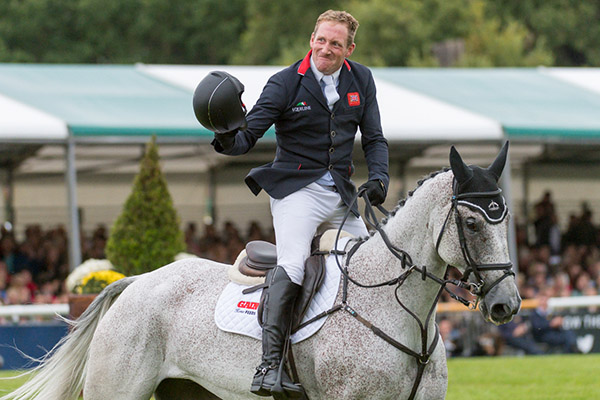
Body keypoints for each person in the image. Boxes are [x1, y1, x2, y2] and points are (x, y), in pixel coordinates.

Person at [195, 9, 389, 399]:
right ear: (312, 39)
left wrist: (380, 178)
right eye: (322, 40)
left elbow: (374, 138)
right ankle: (269, 366)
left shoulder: (361, 79)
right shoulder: (284, 83)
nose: (326, 49)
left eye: (336, 44)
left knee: (372, 262)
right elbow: (247, 138)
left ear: (349, 49)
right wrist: (224, 130)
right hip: (297, 192)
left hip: (341, 193)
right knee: (294, 263)